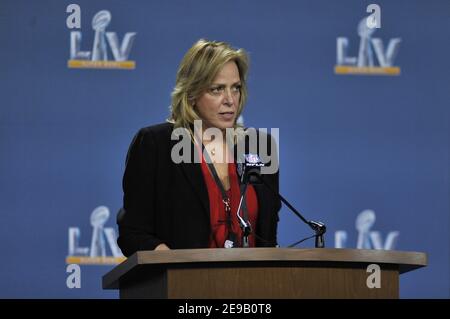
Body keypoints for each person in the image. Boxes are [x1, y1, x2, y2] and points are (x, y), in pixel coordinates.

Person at [117, 39, 281, 257]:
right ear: (192, 93)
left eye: (236, 88)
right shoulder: (157, 144)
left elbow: (268, 234)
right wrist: (169, 261)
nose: (230, 100)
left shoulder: (260, 146)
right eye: (217, 89)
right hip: (185, 286)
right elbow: (133, 233)